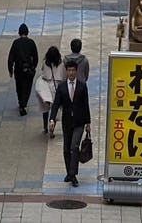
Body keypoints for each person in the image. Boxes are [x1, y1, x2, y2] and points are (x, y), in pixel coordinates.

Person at [49, 55, 91, 186]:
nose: (71, 73)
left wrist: (88, 122)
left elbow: (86, 104)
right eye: (69, 70)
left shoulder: (82, 86)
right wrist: (52, 119)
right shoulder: (61, 87)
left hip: (79, 122)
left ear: (76, 71)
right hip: (67, 122)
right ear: (66, 71)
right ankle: (69, 172)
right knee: (66, 149)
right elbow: (56, 104)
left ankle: (73, 174)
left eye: (73, 70)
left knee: (74, 147)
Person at [7, 23, 38, 115]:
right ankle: (23, 104)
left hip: (18, 69)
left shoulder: (16, 43)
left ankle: (21, 102)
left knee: (19, 87)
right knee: (27, 88)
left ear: (19, 33)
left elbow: (10, 58)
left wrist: (10, 70)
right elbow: (36, 57)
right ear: (27, 32)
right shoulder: (31, 43)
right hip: (28, 69)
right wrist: (33, 67)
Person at [35, 44, 65, 133]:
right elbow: (63, 76)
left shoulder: (45, 63)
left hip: (46, 87)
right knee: (55, 108)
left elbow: (43, 72)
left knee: (45, 108)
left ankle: (45, 126)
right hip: (56, 87)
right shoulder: (61, 64)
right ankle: (52, 124)